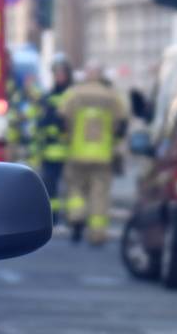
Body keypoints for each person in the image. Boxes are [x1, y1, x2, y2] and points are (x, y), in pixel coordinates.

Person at [61, 63, 129, 246]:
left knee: (76, 189)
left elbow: (62, 118)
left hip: (77, 153)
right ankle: (97, 234)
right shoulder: (111, 96)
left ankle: (76, 219)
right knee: (99, 194)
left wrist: (69, 136)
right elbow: (122, 123)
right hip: (102, 155)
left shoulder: (74, 94)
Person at [37, 55, 73, 222]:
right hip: (50, 151)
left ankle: (73, 219)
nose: (58, 77)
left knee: (72, 188)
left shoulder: (73, 96)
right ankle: (53, 217)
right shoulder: (48, 96)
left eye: (61, 73)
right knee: (50, 187)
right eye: (56, 73)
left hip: (69, 150)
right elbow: (42, 121)